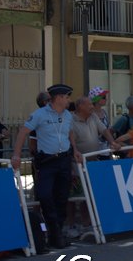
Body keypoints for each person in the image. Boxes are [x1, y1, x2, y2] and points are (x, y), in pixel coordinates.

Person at [11, 84, 82, 249]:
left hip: (64, 160)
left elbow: (69, 132)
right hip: (47, 162)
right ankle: (51, 230)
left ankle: (57, 235)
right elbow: (23, 132)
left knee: (62, 197)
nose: (68, 100)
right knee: (44, 196)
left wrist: (75, 149)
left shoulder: (68, 115)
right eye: (66, 97)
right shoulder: (39, 114)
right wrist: (16, 154)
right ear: (58, 98)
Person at [89, 86, 112, 160]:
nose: (106, 99)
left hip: (106, 149)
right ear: (97, 100)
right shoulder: (90, 114)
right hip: (95, 151)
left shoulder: (104, 112)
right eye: (104, 97)